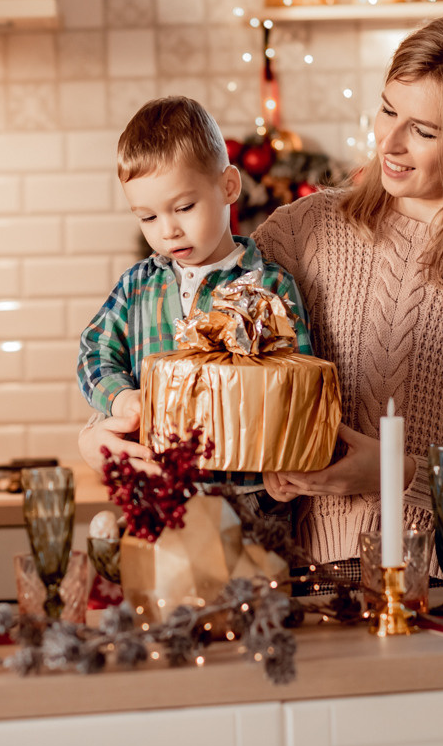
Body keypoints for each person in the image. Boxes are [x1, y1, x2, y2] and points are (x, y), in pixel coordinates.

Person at [79, 11, 443, 564]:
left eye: (422, 130)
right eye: (388, 109)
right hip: (301, 589)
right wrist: (101, 432)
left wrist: (399, 472)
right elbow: (202, 369)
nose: (388, 143)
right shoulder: (301, 233)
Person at [76, 95, 314, 493]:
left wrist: (286, 458)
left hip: (246, 493)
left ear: (228, 186)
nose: (167, 230)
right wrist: (120, 400)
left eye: (184, 207)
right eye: (148, 217)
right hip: (157, 488)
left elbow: (297, 385)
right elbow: (94, 352)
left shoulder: (267, 285)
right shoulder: (137, 286)